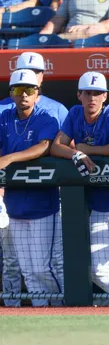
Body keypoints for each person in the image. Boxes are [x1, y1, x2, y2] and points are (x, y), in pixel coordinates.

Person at [50, 71, 109, 307]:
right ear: (79, 95)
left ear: (105, 96)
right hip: (99, 206)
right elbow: (55, 147)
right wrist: (77, 153)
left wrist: (88, 150)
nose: (92, 98)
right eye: (87, 93)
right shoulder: (74, 114)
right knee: (96, 269)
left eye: (97, 93)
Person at [0, 69, 63, 307]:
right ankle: (41, 314)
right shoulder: (4, 118)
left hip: (43, 206)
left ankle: (66, 309)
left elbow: (44, 147)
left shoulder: (46, 117)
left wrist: (9, 158)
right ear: (11, 94)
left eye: (30, 89)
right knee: (27, 270)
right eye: (18, 90)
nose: (24, 94)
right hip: (15, 205)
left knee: (43, 267)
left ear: (37, 93)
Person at [1, 52, 68, 126]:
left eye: (35, 72)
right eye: (26, 71)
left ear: (42, 76)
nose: (30, 76)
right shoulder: (2, 108)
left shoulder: (58, 109)